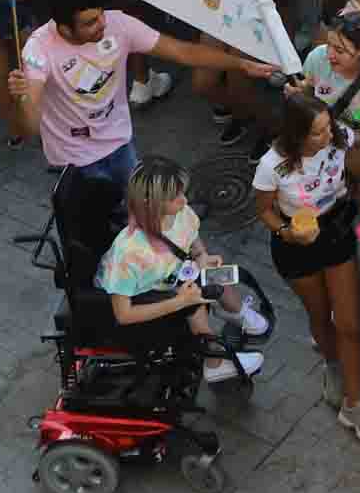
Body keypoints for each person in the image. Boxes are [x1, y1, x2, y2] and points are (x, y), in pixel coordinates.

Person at [6, 0, 279, 192]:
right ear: (64, 29)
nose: (102, 24)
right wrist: (23, 99)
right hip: (74, 161)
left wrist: (240, 64)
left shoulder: (119, 24)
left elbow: (183, 52)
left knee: (138, 215)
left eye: (101, 14)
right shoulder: (38, 49)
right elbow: (29, 127)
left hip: (120, 144)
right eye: (90, 22)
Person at [252, 92, 360, 447]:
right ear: (296, 134)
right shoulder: (272, 165)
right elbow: (264, 210)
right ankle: (333, 365)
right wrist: (287, 232)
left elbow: (358, 163)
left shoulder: (338, 137)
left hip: (336, 231)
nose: (328, 135)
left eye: (328, 127)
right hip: (296, 245)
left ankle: (355, 406)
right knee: (320, 316)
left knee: (349, 324)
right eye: (318, 132)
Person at [95, 158, 269, 387]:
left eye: (182, 192)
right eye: (175, 197)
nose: (184, 200)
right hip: (144, 293)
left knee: (218, 275)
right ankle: (214, 364)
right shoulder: (129, 252)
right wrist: (180, 302)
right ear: (151, 203)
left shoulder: (180, 211)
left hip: (173, 274)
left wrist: (202, 256)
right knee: (193, 307)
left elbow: (192, 237)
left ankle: (234, 312)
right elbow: (124, 314)